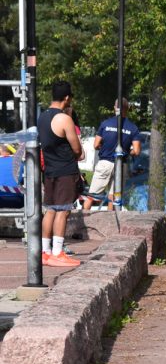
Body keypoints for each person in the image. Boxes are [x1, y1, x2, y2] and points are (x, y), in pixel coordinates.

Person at [36, 80, 84, 267]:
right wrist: (78, 154)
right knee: (63, 211)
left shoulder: (42, 118)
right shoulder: (64, 119)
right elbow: (77, 150)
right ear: (66, 98)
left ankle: (45, 252)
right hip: (65, 171)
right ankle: (58, 252)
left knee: (50, 210)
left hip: (49, 171)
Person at [82, 98, 142, 212]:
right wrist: (126, 151)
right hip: (120, 165)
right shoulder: (133, 128)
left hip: (104, 163)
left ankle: (83, 218)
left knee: (91, 195)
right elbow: (137, 151)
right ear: (127, 108)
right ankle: (111, 220)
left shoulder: (105, 124)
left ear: (115, 108)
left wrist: (106, 148)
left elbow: (96, 145)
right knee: (113, 197)